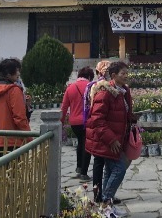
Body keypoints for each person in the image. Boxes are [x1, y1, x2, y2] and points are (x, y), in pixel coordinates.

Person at [85, 61, 132, 217]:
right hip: (107, 140)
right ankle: (105, 202)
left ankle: (107, 207)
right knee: (119, 169)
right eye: (123, 73)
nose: (126, 76)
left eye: (127, 73)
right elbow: (97, 119)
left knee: (109, 171)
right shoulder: (105, 92)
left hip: (117, 137)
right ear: (113, 75)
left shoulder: (122, 91)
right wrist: (111, 139)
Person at [0, 59, 31, 156]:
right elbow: (19, 118)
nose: (19, 74)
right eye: (17, 70)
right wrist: (29, 137)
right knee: (12, 166)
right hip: (11, 141)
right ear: (8, 74)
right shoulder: (14, 91)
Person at [61, 66, 94, 181]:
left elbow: (64, 107)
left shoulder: (70, 87)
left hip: (74, 122)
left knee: (80, 143)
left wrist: (61, 122)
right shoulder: (90, 87)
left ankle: (79, 168)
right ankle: (84, 173)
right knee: (87, 146)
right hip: (87, 121)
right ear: (89, 76)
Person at [86, 60, 112, 200]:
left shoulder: (90, 86)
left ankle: (99, 194)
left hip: (93, 126)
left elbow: (87, 108)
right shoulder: (106, 87)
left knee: (98, 162)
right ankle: (106, 194)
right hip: (103, 127)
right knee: (106, 163)